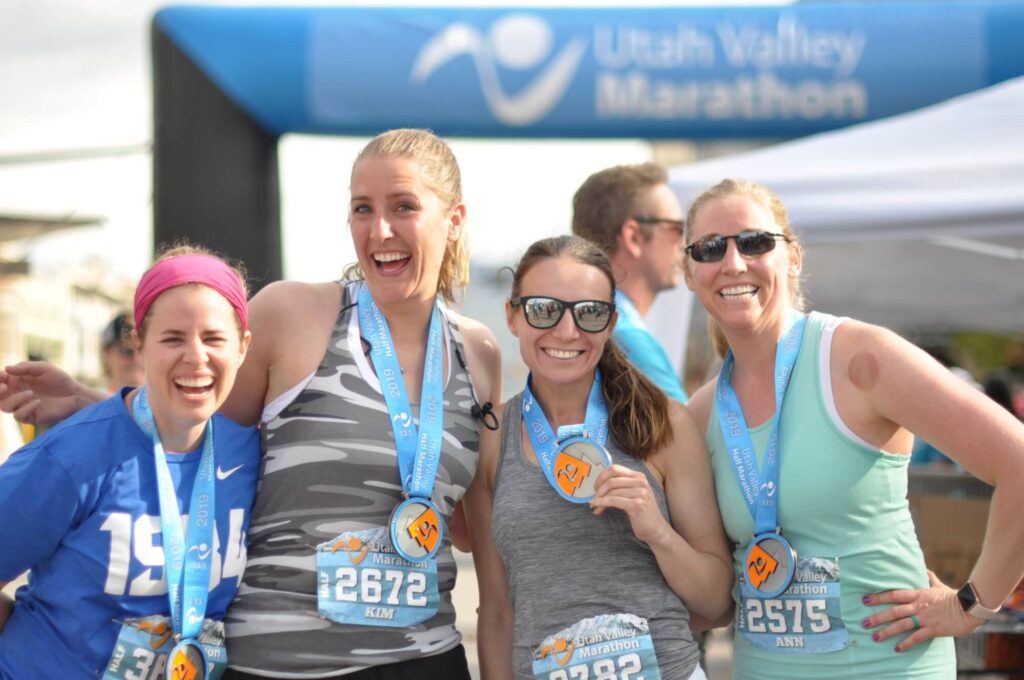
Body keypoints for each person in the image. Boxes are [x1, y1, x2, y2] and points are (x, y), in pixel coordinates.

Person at [0, 129, 502, 679]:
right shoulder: (292, 315)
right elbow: (195, 432)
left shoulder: (478, 353)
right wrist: (97, 409)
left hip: (425, 658)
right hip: (279, 662)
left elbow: (470, 528)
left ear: (454, 220)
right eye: (363, 208)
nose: (380, 229)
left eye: (403, 206)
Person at [680, 178, 1024, 678]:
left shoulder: (857, 358)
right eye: (710, 248)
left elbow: (1017, 461)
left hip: (887, 666)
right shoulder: (702, 414)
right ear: (689, 272)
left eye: (754, 242)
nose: (733, 262)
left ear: (793, 256)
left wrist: (972, 605)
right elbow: (709, 592)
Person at [464, 235, 732, 680]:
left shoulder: (664, 424)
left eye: (589, 313)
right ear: (512, 316)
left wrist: (658, 533)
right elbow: (496, 613)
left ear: (611, 323)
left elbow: (717, 603)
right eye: (544, 310)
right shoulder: (493, 438)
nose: (567, 331)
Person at [0, 246, 260, 679]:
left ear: (243, 347)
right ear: (139, 344)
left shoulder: (251, 454)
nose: (195, 356)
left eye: (214, 338)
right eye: (173, 338)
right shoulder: (72, 454)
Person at [571, 163, 689, 403]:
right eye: (677, 229)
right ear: (633, 237)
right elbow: (691, 427)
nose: (685, 243)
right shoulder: (626, 341)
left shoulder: (577, 326)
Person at [101, 311, 146, 392]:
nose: (137, 359)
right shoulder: (89, 399)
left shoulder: (162, 399)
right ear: (106, 354)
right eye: (127, 350)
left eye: (143, 350)